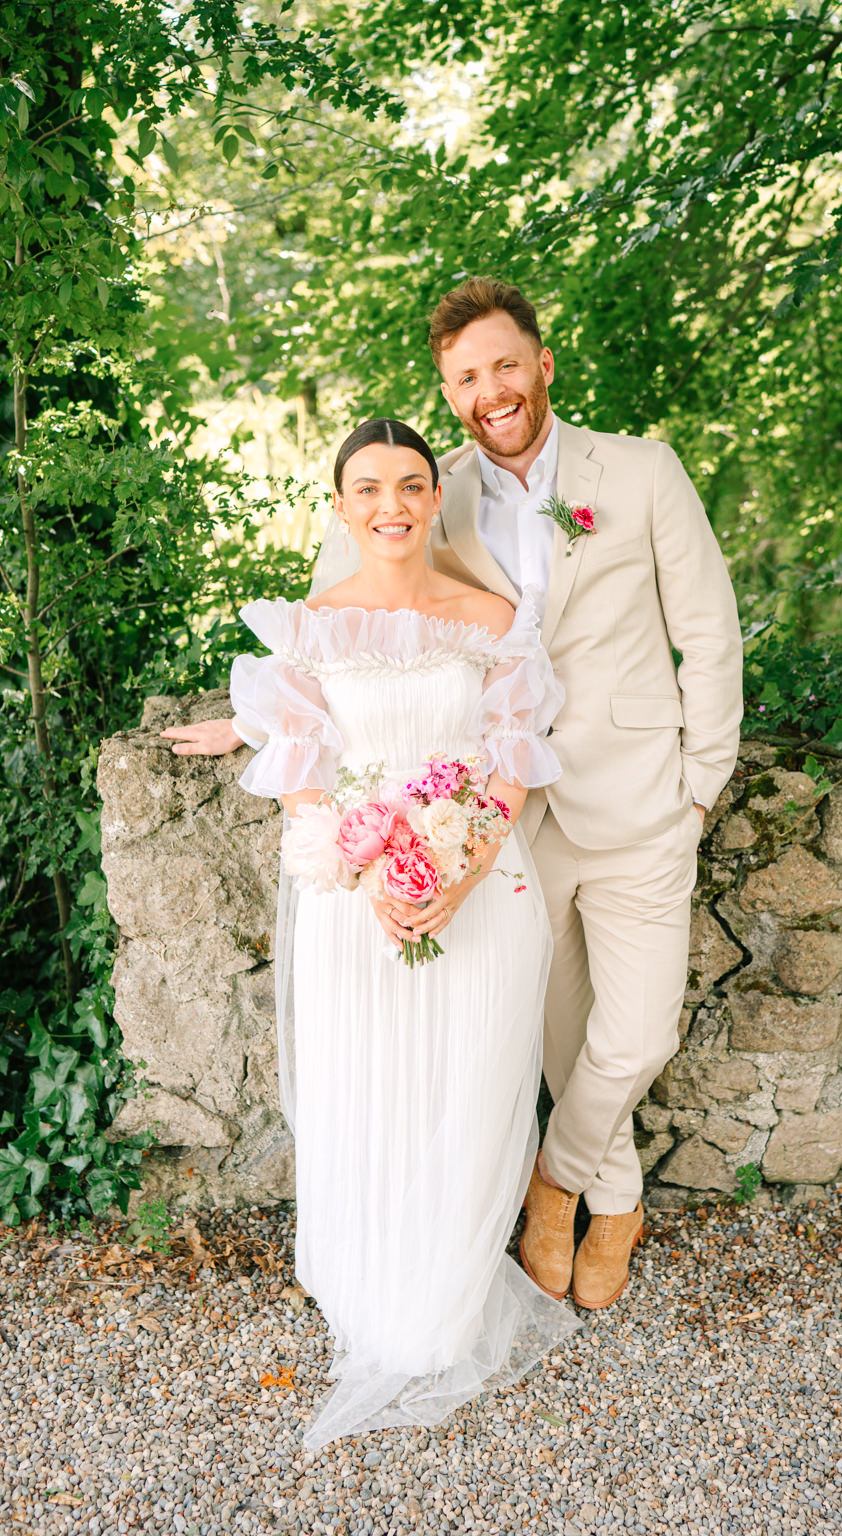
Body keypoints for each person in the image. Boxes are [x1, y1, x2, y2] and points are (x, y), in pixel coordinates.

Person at [164, 277, 743, 1315]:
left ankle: (555, 1180)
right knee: (556, 1039)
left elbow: (707, 633)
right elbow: (355, 634)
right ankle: (609, 1202)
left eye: (505, 366)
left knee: (639, 1030)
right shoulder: (441, 488)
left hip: (636, 799)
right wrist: (248, 723)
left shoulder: (641, 472)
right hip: (503, 820)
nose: (492, 390)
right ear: (449, 393)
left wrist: (699, 786)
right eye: (466, 378)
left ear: (542, 364)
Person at [218, 417, 580, 1447]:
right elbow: (301, 775)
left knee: (461, 1080)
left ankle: (445, 1302)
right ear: (339, 508)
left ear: (434, 498)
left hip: (478, 881)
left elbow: (511, 759)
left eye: (411, 485)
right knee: (365, 1082)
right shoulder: (310, 629)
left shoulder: (490, 619)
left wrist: (457, 874)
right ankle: (373, 1294)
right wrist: (371, 864)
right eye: (367, 488)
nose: (391, 505)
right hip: (352, 895)